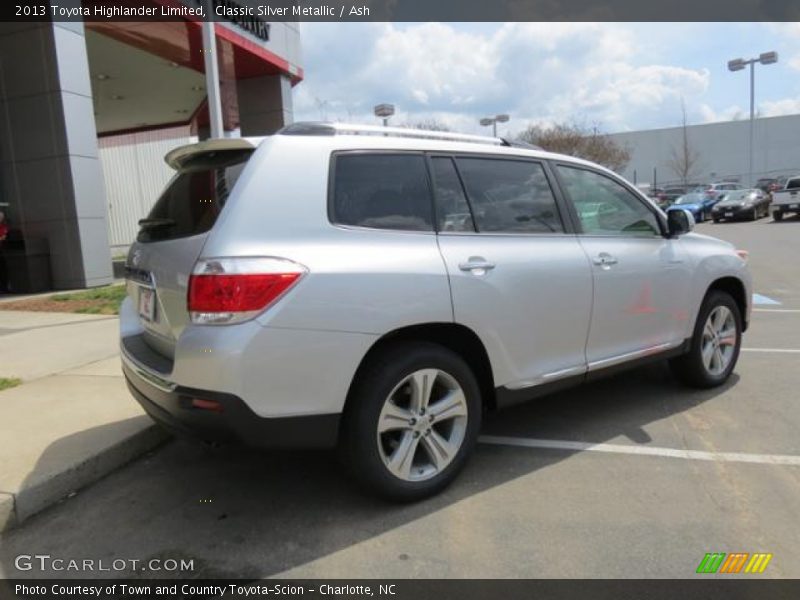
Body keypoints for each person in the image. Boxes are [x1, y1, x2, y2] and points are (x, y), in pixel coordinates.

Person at [0, 211, 9, 293]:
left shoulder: (3, 227)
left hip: (1, 251)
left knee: (3, 270)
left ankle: (4, 288)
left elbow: (3, 237)